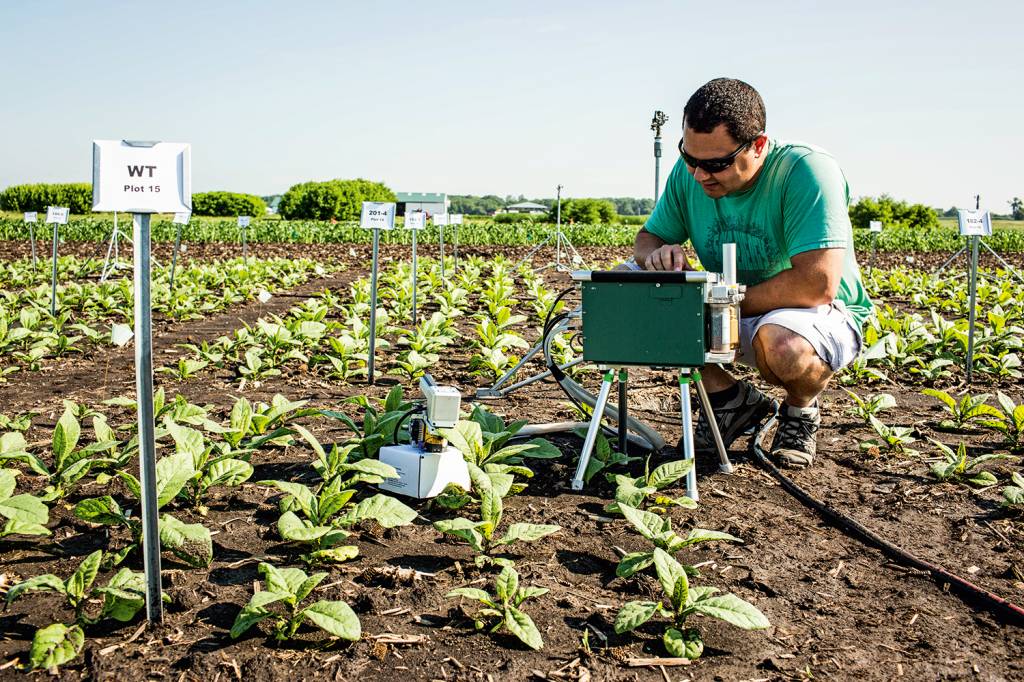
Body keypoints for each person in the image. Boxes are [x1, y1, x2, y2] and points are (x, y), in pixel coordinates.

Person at [634, 77, 873, 468]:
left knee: (782, 346)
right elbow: (647, 239)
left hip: (814, 315)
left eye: (716, 164)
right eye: (690, 159)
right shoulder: (690, 173)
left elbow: (817, 285)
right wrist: (658, 255)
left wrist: (718, 303)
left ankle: (800, 411)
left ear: (758, 145)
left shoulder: (805, 171)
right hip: (733, 306)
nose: (699, 175)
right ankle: (729, 400)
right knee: (635, 284)